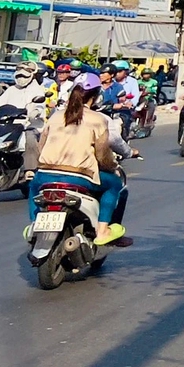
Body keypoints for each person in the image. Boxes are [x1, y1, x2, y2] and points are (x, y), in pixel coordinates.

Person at [31, 73, 126, 244]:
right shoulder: (99, 119)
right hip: (80, 177)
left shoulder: (55, 116)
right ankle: (103, 230)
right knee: (114, 184)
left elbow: (41, 146)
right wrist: (112, 168)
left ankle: (33, 224)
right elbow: (103, 155)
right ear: (96, 96)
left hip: (45, 174)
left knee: (32, 187)